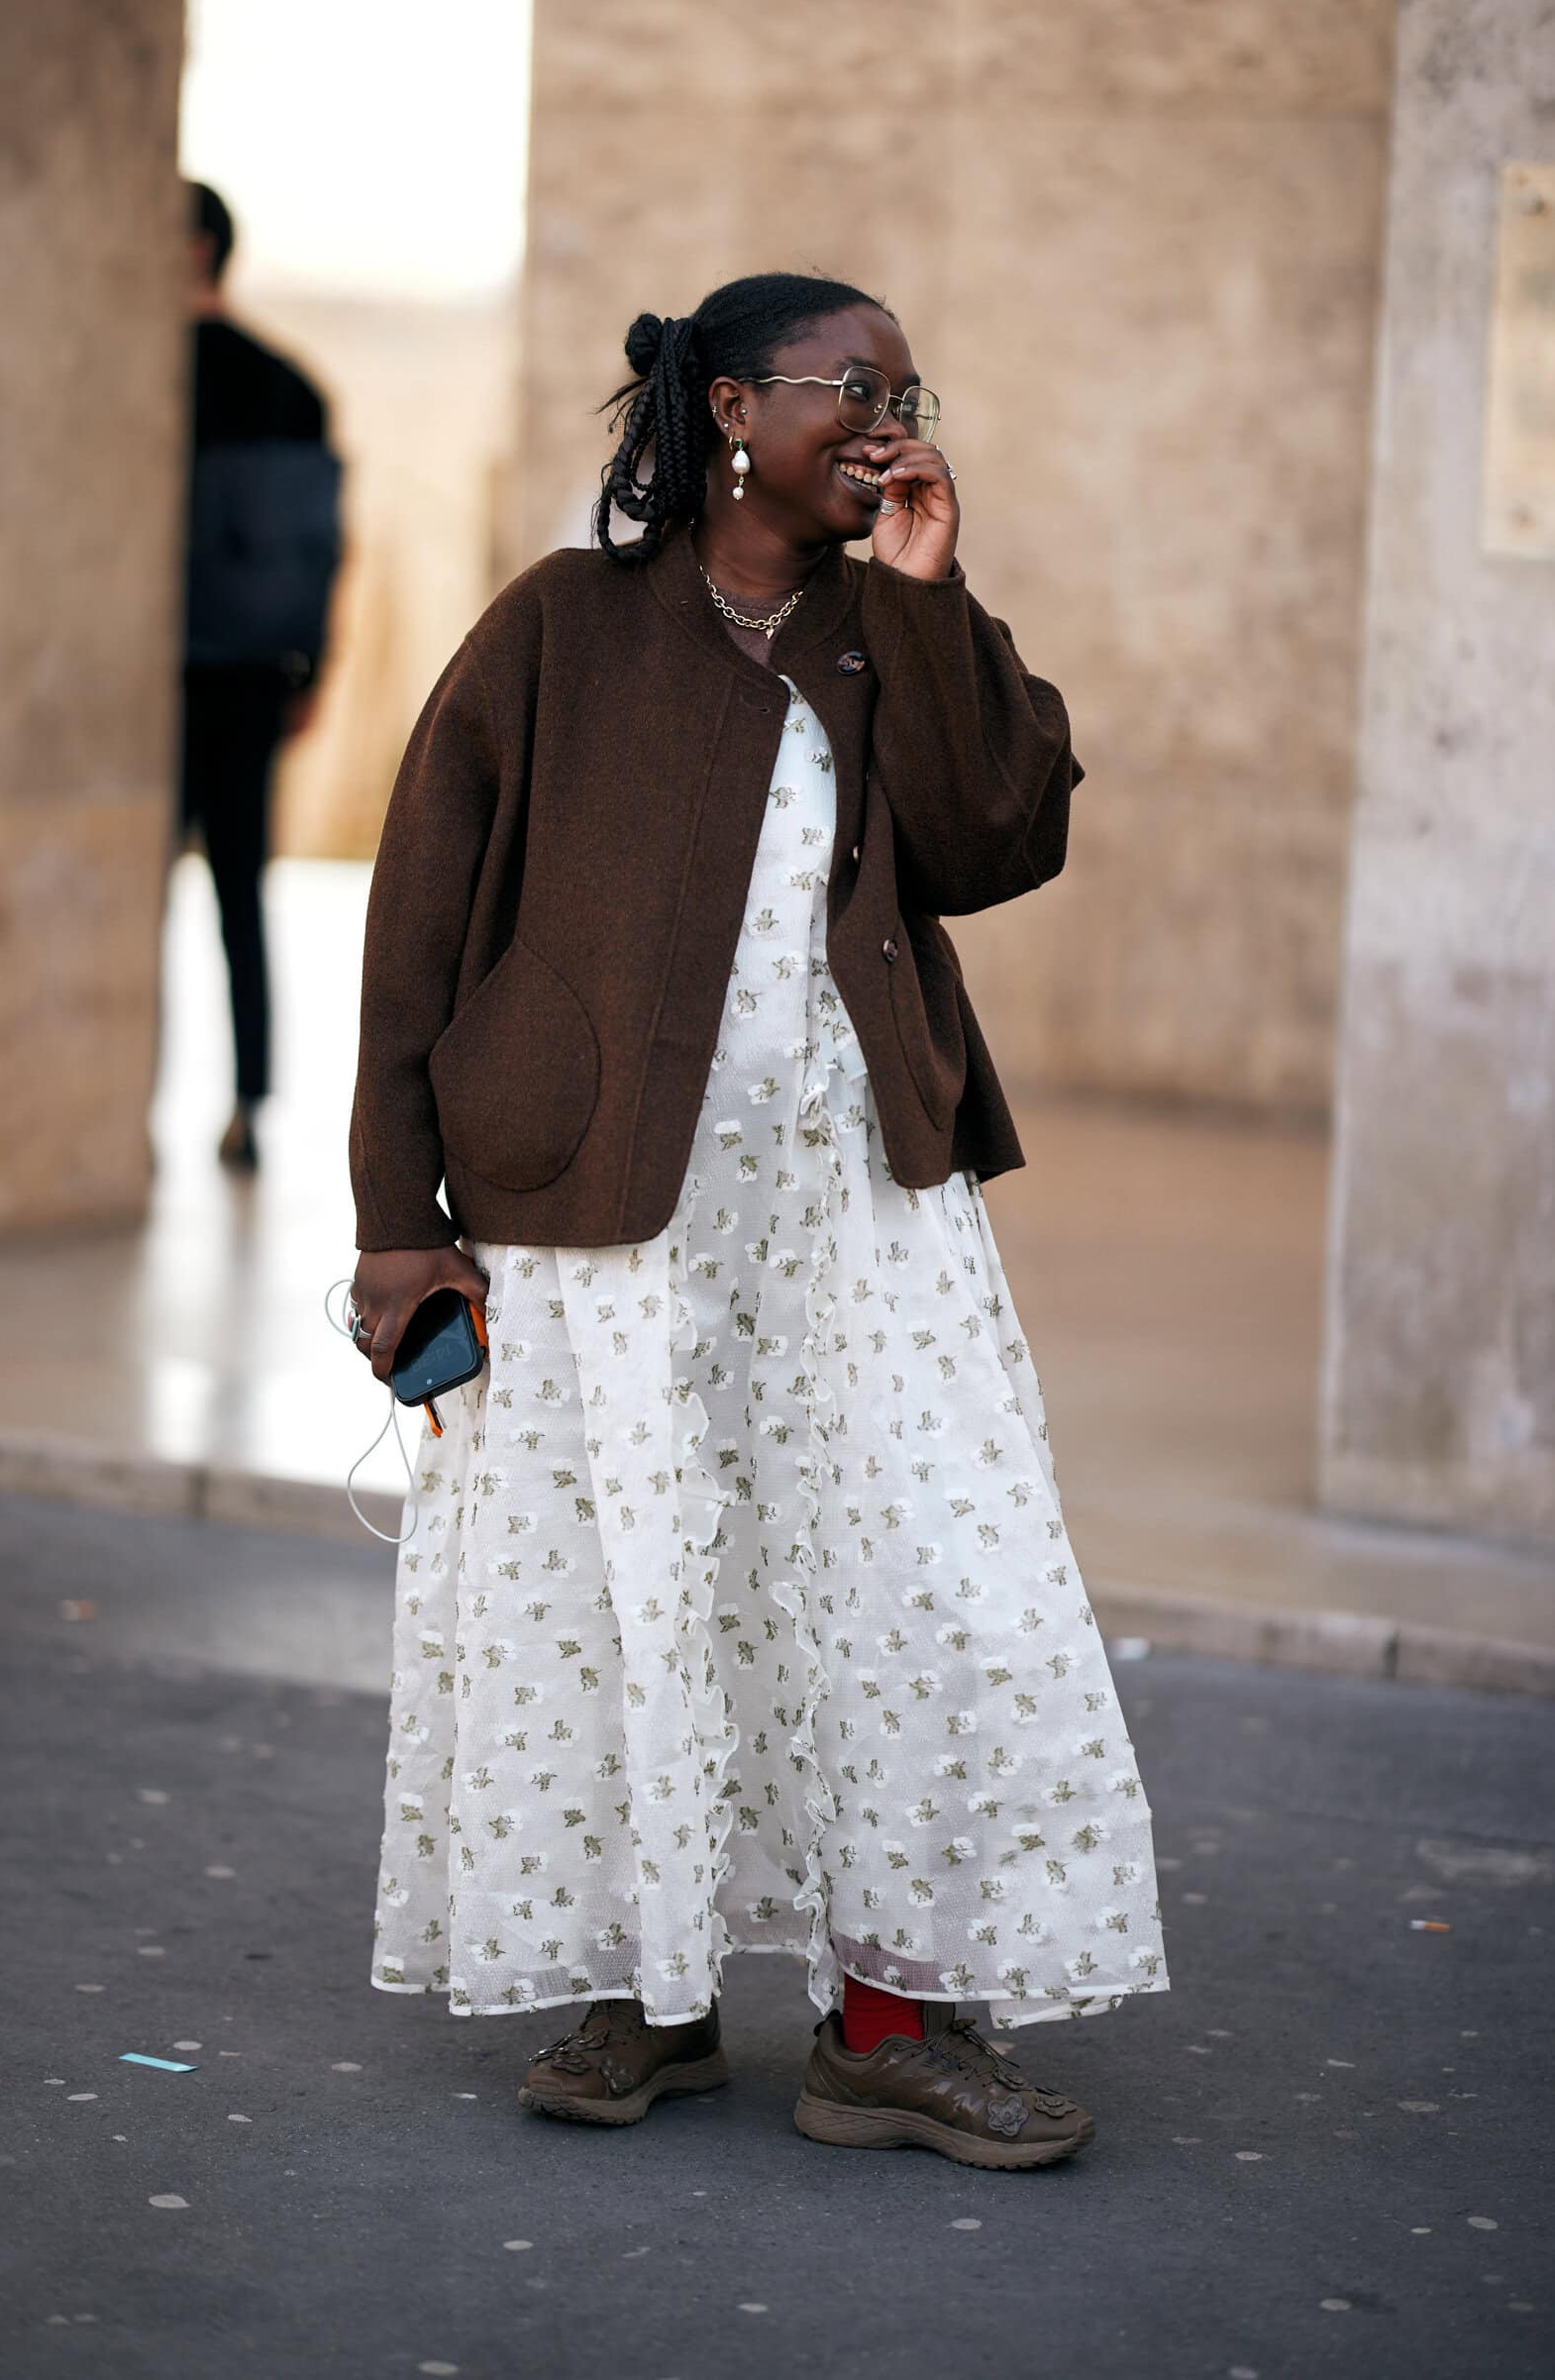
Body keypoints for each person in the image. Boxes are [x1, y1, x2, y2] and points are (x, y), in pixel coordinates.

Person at [347, 272, 1170, 2170]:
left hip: (858, 1215)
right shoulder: (561, 628)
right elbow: (414, 929)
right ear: (730, 403)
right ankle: (644, 1988)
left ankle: (887, 2020)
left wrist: (933, 591)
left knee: (921, 1586)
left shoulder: (894, 629)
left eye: (907, 388)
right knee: (634, 1586)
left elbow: (995, 838)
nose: (889, 416)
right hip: (604, 1222)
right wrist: (403, 1226)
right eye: (848, 386)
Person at [179, 180, 342, 1172]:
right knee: (241, 889)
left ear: (194, 249)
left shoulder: (133, 378)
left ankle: (148, 1112)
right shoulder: (290, 384)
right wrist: (313, 668)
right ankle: (246, 1101)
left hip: (171, 673)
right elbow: (324, 548)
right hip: (251, 672)